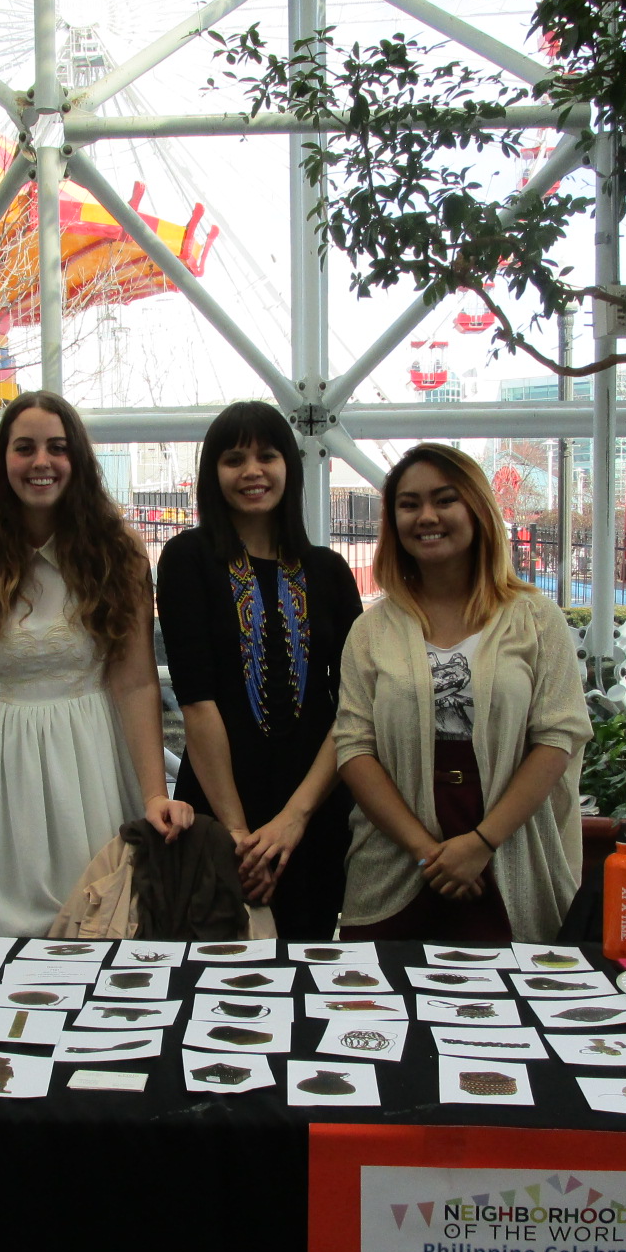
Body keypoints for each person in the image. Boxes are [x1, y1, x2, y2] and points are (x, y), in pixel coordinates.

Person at [0, 391, 192, 935]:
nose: (41, 462)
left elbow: (136, 683)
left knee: (99, 919)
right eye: (24, 448)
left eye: (57, 447)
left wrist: (154, 793)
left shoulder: (118, 553)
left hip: (94, 763)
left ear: (77, 459)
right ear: (3, 459)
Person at [334, 443, 590, 943]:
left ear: (477, 509)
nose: (426, 516)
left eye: (444, 499)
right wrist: (427, 851)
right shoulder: (371, 631)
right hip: (393, 864)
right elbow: (354, 748)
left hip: (510, 852)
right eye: (408, 505)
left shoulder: (536, 619)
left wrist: (480, 843)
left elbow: (559, 736)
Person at [155, 402, 364, 940]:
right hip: (222, 810)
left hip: (314, 813)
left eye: (267, 455)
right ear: (212, 474)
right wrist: (237, 835)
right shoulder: (187, 560)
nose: (253, 471)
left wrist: (294, 818)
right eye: (234, 459)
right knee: (215, 971)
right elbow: (197, 701)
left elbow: (353, 709)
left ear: (289, 467)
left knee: (310, 968)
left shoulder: (329, 572)